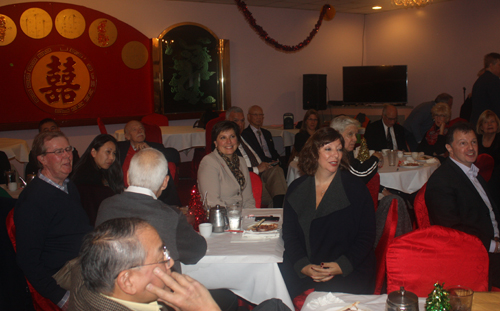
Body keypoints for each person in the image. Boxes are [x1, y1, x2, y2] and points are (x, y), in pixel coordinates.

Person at [71, 218, 289, 311]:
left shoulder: (91, 286)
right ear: (128, 281)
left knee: (274, 306)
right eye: (161, 256)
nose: (171, 261)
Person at [280, 127, 376, 299]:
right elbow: (289, 234)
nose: (336, 155)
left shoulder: (355, 189)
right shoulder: (297, 189)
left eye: (339, 149)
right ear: (314, 153)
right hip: (305, 267)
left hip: (348, 269)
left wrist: (342, 265)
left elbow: (367, 235)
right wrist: (302, 265)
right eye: (328, 149)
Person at [96, 148, 206, 274]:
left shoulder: (105, 206)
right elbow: (197, 251)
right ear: (165, 182)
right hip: (156, 290)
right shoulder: (169, 216)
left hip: (111, 289)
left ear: (127, 176)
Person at [14, 131, 92, 308]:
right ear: (42, 158)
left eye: (68, 149)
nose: (67, 156)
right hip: (63, 271)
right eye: (58, 152)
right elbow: (28, 261)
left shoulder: (68, 186)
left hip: (84, 259)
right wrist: (61, 298)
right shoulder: (32, 201)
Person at [425, 122, 500, 288]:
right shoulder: (441, 182)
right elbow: (452, 230)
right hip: (475, 255)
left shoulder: (473, 172)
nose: (471, 148)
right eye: (463, 143)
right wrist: (494, 246)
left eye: (473, 142)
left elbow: (489, 211)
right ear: (449, 148)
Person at [227, 106, 287, 208]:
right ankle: (280, 210)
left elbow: (260, 155)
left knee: (277, 170)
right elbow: (232, 168)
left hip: (263, 172)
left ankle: (278, 209)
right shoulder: (227, 143)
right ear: (227, 121)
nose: (240, 124)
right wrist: (256, 169)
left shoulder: (245, 137)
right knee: (278, 194)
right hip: (249, 178)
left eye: (242, 121)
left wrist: (268, 164)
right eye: (235, 121)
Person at [117, 120, 181, 206]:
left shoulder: (155, 146)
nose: (139, 131)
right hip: (125, 194)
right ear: (127, 136)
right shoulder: (120, 148)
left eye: (141, 129)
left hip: (152, 195)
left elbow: (175, 156)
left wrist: (151, 150)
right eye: (134, 129)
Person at [198, 120, 256, 209]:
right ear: (215, 143)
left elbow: (248, 199)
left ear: (237, 140)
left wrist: (251, 218)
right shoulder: (209, 162)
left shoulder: (241, 161)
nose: (229, 142)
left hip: (241, 216)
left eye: (232, 136)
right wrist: (234, 217)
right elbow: (212, 202)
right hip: (220, 217)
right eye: (223, 138)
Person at [71, 134, 124, 225]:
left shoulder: (103, 171)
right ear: (94, 152)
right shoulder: (85, 178)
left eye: (114, 153)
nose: (112, 158)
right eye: (108, 152)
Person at [330, 116, 383, 184]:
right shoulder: (337, 155)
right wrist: (376, 157)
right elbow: (361, 174)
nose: (355, 139)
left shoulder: (344, 152)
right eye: (350, 134)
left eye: (355, 135)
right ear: (337, 135)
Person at [477, 110, 500, 206]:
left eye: (492, 121)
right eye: (486, 122)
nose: (490, 124)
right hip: (478, 175)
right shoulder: (476, 140)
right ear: (481, 127)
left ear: (497, 125)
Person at [470, 53, 500, 127]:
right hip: (488, 125)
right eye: (499, 65)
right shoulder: (494, 80)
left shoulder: (479, 81)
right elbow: (497, 104)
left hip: (479, 123)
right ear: (491, 65)